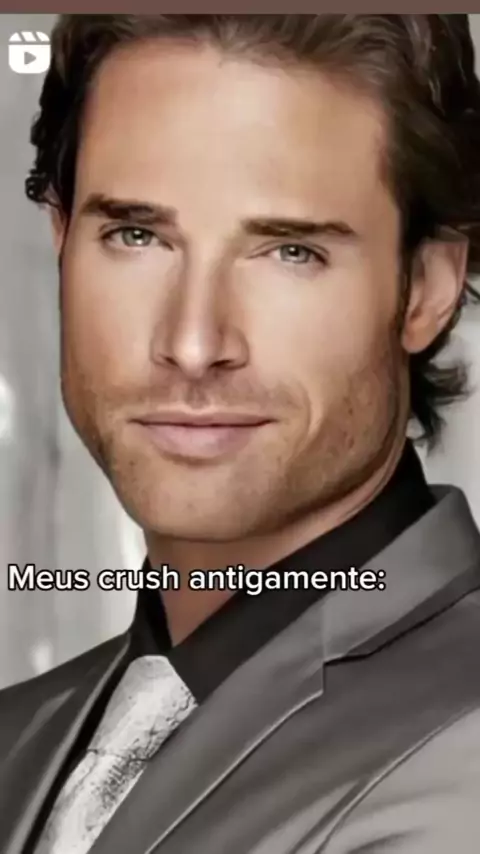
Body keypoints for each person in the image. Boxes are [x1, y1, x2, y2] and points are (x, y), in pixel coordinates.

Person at [2, 12, 480, 854]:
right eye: (137, 235)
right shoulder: (25, 735)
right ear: (62, 238)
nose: (193, 343)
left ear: (426, 287)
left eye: (290, 251)